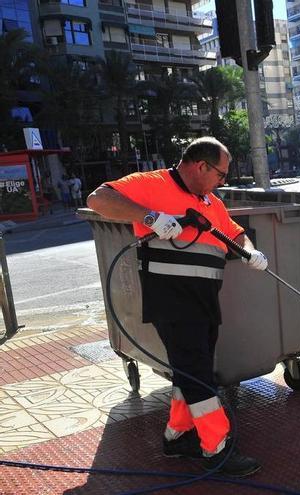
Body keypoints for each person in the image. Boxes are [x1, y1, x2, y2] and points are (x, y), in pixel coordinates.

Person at [86, 137, 267, 477]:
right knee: (198, 373)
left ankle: (178, 436)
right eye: (221, 174)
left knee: (190, 370)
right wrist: (150, 217)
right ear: (201, 166)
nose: (223, 181)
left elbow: (235, 233)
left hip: (203, 302)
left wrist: (250, 251)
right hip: (172, 301)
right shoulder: (152, 185)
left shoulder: (211, 202)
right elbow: (98, 199)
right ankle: (217, 449)